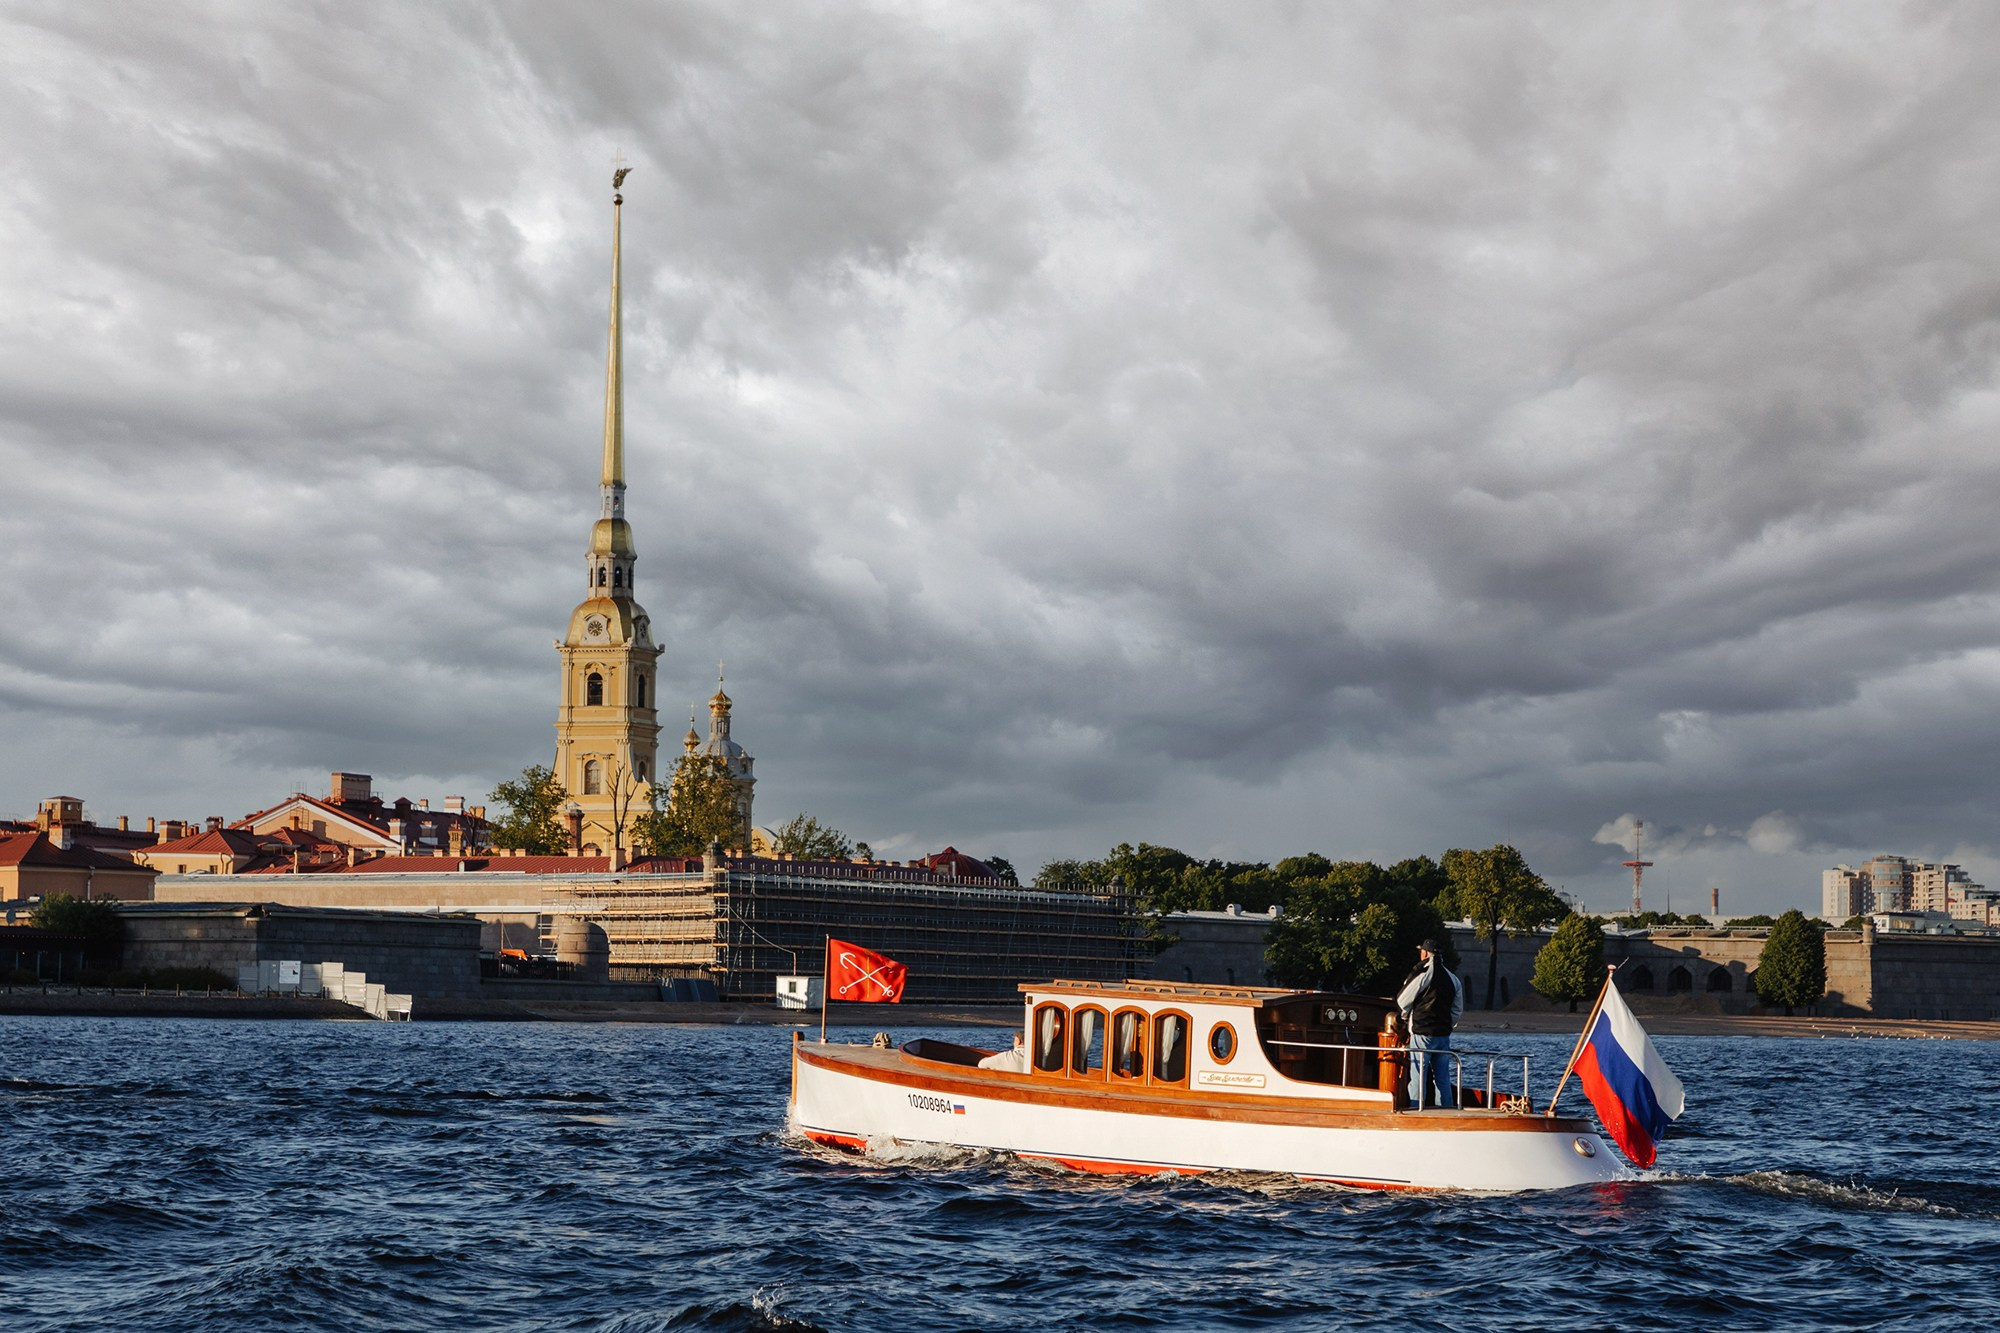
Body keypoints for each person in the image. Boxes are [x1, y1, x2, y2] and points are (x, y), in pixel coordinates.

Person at [1396, 938, 1462, 1108]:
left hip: (1421, 1034)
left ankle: (1416, 1109)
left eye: (1421, 951)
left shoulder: (1422, 975)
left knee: (1418, 1076)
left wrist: (1405, 1018)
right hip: (1443, 1036)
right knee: (1443, 1078)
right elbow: (1457, 1010)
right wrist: (1447, 1026)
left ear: (1425, 953)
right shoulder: (1453, 979)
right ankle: (1446, 1110)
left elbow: (1403, 1000)